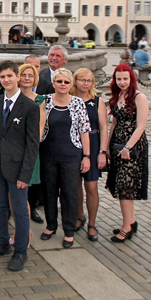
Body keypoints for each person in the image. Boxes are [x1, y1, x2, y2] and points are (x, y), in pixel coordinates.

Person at [0, 61, 40, 271]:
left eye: (9, 76)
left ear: (17, 77)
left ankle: (21, 250)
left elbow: (32, 144)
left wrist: (26, 174)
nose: (6, 80)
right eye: (2, 77)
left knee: (20, 210)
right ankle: (2, 243)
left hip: (17, 169)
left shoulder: (30, 107)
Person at [40, 68, 91, 248]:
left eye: (66, 82)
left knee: (69, 195)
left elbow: (84, 131)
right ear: (53, 83)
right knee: (49, 192)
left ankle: (69, 230)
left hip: (71, 155)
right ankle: (51, 225)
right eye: (59, 81)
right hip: (48, 154)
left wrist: (86, 156)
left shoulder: (77, 103)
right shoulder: (45, 101)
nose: (62, 85)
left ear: (71, 85)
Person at [106, 64, 149, 243]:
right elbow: (114, 123)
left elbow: (141, 126)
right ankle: (131, 221)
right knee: (123, 185)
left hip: (133, 148)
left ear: (132, 79)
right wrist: (108, 146)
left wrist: (128, 148)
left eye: (125, 78)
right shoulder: (116, 97)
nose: (122, 82)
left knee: (125, 186)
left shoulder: (139, 97)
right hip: (117, 146)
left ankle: (126, 227)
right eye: (119, 79)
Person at [71, 68, 108, 242]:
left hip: (93, 144)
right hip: (74, 144)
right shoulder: (70, 99)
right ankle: (80, 216)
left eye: (89, 81)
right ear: (75, 81)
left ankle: (92, 223)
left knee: (91, 187)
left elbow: (103, 128)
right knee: (76, 186)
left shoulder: (97, 101)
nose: (86, 84)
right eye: (82, 80)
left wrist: (102, 152)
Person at [18, 63, 47, 231]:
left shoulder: (39, 99)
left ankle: (31, 210)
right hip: (14, 147)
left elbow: (40, 126)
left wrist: (31, 145)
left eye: (30, 75)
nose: (27, 78)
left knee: (30, 183)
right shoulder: (12, 96)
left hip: (30, 146)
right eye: (24, 75)